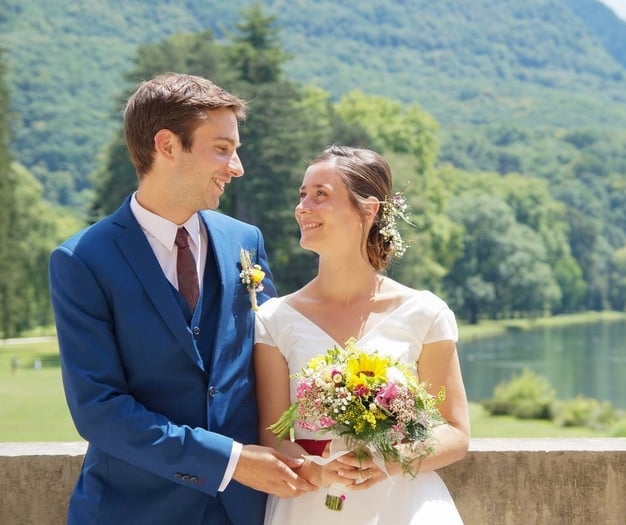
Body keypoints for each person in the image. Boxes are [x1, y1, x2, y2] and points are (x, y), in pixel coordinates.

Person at [49, 72, 314, 525]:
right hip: (132, 510)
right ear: (167, 145)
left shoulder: (244, 240)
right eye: (222, 149)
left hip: (244, 511)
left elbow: (276, 359)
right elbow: (99, 409)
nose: (236, 167)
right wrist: (230, 461)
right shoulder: (81, 261)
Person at [254, 145, 470, 524]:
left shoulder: (425, 313)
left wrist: (391, 460)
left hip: (404, 506)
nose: (304, 206)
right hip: (311, 508)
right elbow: (272, 436)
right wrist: (317, 472)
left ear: (368, 211)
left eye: (321, 194)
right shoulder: (274, 319)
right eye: (302, 194)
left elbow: (453, 431)